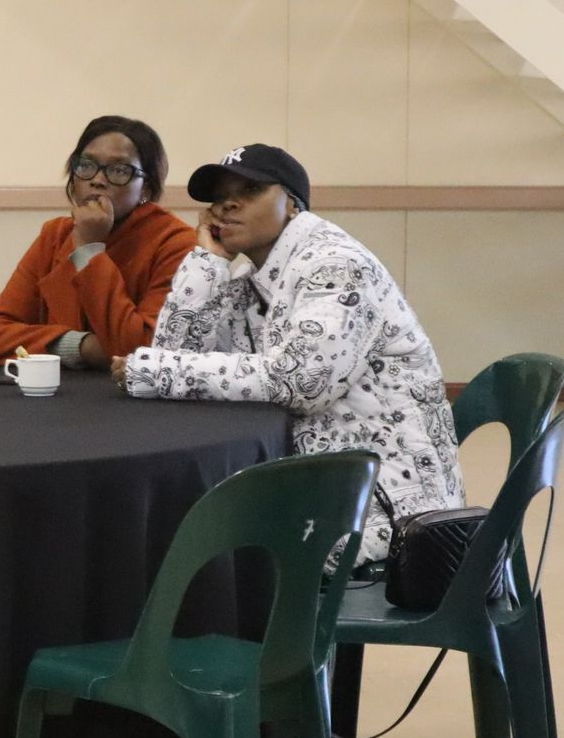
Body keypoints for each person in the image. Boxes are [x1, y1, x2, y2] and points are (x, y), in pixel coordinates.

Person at [113, 144, 463, 561]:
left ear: (293, 205)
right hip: (325, 492)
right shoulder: (249, 275)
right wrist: (207, 263)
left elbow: (299, 382)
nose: (227, 205)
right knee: (186, 537)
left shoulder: (336, 266)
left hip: (388, 519)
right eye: (219, 196)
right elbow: (175, 351)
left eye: (251, 189)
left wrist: (155, 371)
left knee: (196, 548)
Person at [0, 114, 195, 368]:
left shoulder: (176, 243)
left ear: (146, 188)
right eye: (86, 165)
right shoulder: (56, 234)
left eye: (118, 170)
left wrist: (89, 250)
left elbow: (142, 351)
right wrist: (82, 347)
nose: (97, 180)